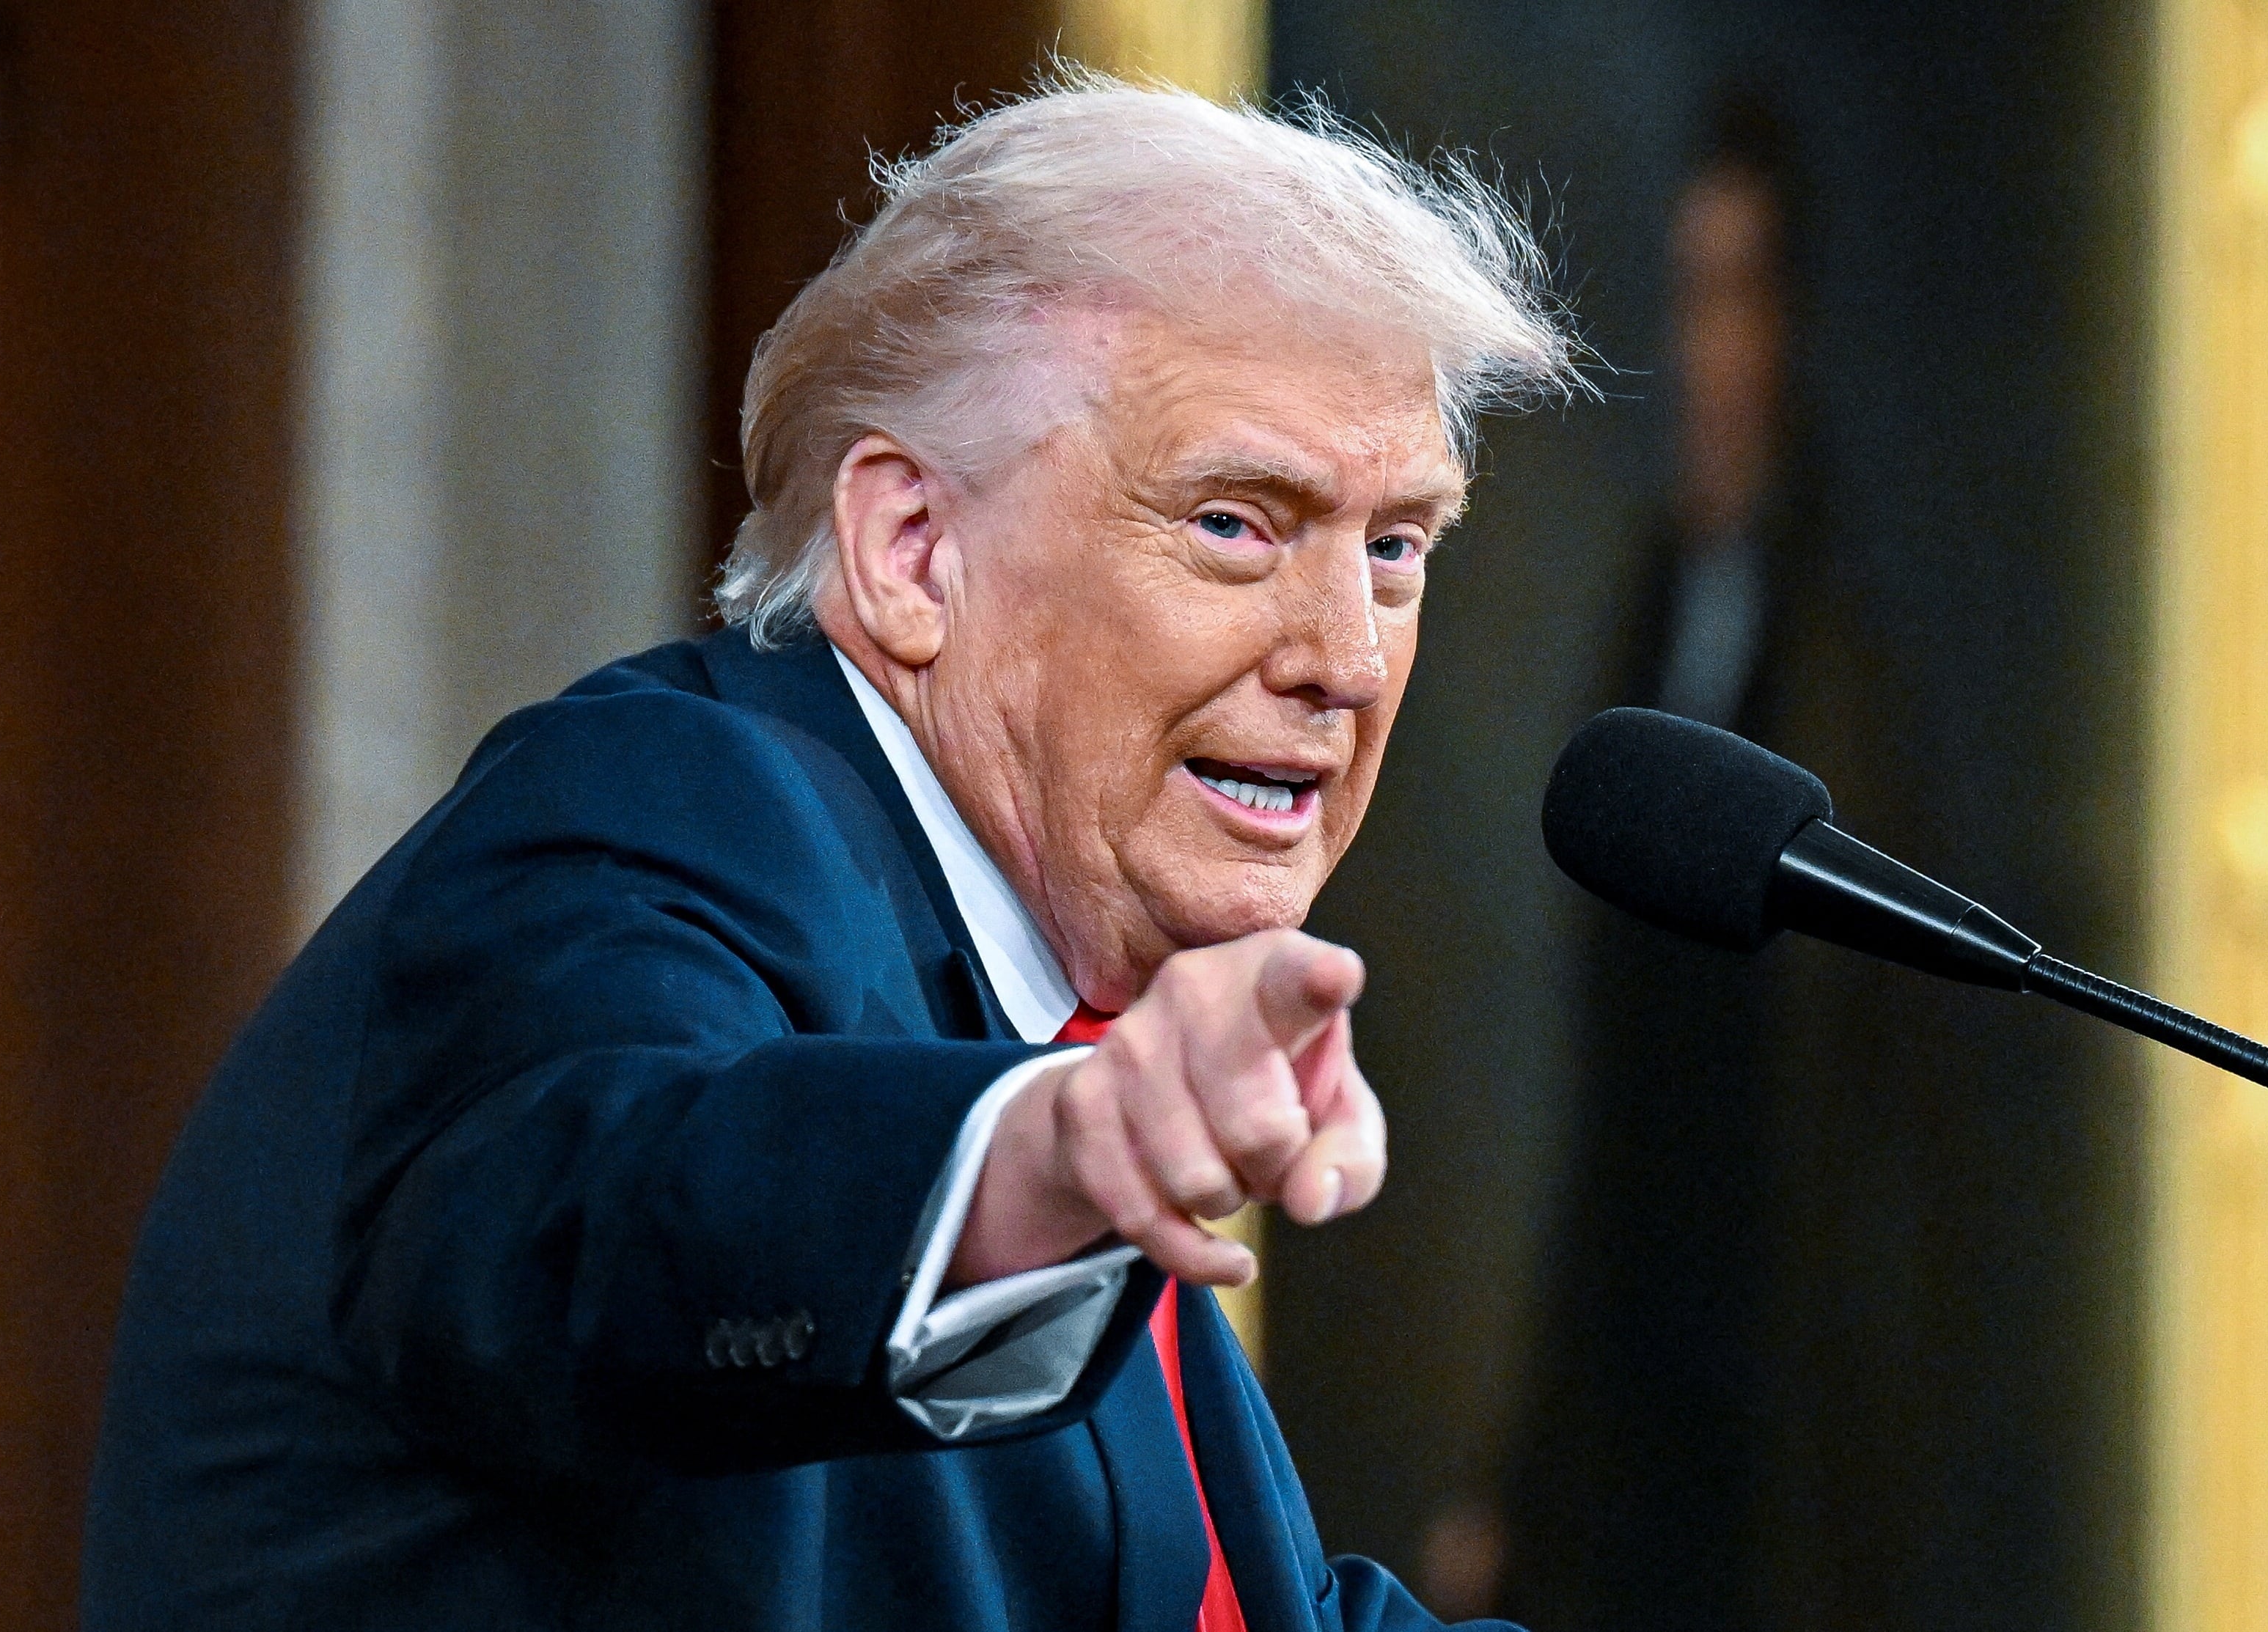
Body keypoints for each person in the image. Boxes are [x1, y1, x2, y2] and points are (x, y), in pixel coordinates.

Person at [80, 77, 1581, 1632]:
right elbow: (606, 1200)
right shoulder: (671, 803)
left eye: (1396, 548)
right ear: (911, 550)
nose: (1344, 656)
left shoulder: (1051, 1026)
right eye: (1235, 525)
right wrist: (1044, 1151)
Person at [1499, 95, 1832, 1629]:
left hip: (1781, 1386)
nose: (1715, 355)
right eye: (1692, 300)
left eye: (1744, 298)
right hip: (1637, 1370)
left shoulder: (1850, 661)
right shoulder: (1649, 606)